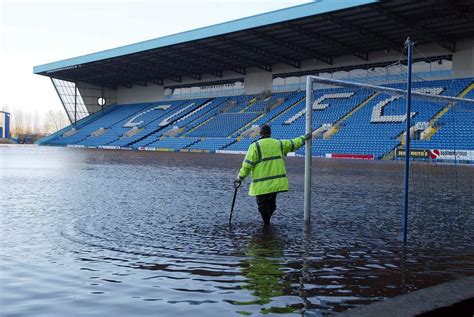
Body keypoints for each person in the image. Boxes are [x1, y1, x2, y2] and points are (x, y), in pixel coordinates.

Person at [235, 124, 314, 225]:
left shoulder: (255, 146)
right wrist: (304, 138)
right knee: (271, 205)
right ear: (270, 133)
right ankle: (267, 226)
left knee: (262, 206)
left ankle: (266, 224)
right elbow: (293, 143)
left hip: (261, 186)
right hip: (275, 184)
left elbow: (247, 165)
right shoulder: (278, 144)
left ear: (260, 134)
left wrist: (240, 178)